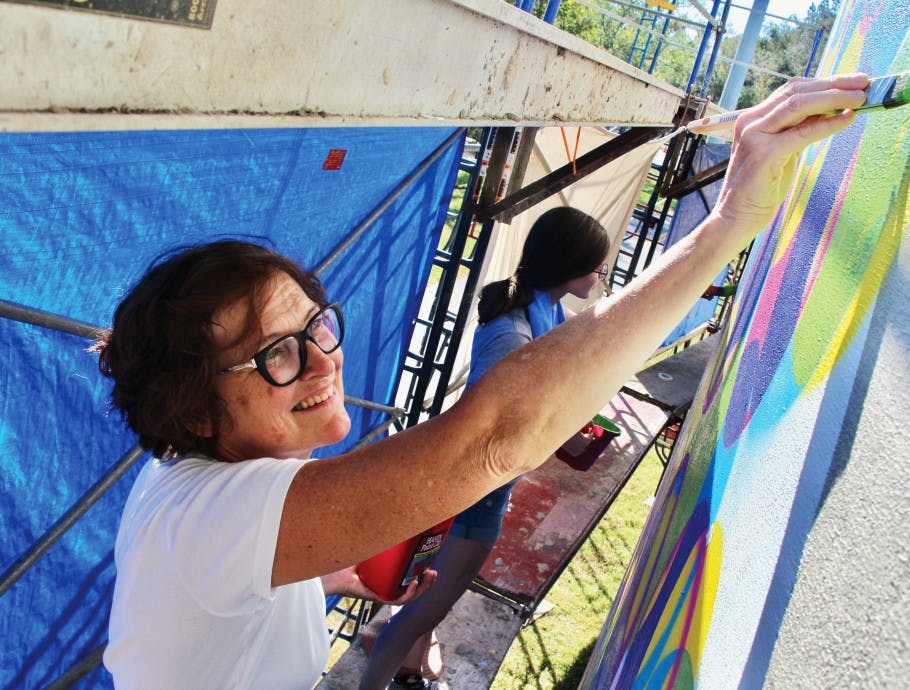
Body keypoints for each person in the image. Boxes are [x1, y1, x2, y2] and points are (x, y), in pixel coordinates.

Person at [95, 74, 869, 690]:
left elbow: (229, 591)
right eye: (278, 354)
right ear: (195, 412)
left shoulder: (194, 493)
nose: (325, 360)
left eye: (316, 326)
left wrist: (335, 579)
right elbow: (499, 437)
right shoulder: (211, 516)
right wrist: (729, 223)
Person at [359, 207, 611, 689]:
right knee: (421, 611)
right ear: (569, 262)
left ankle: (405, 667)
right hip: (469, 495)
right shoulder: (514, 335)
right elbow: (489, 431)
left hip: (483, 489)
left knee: (428, 603)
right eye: (597, 263)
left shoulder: (548, 311)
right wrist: (563, 435)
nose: (602, 272)